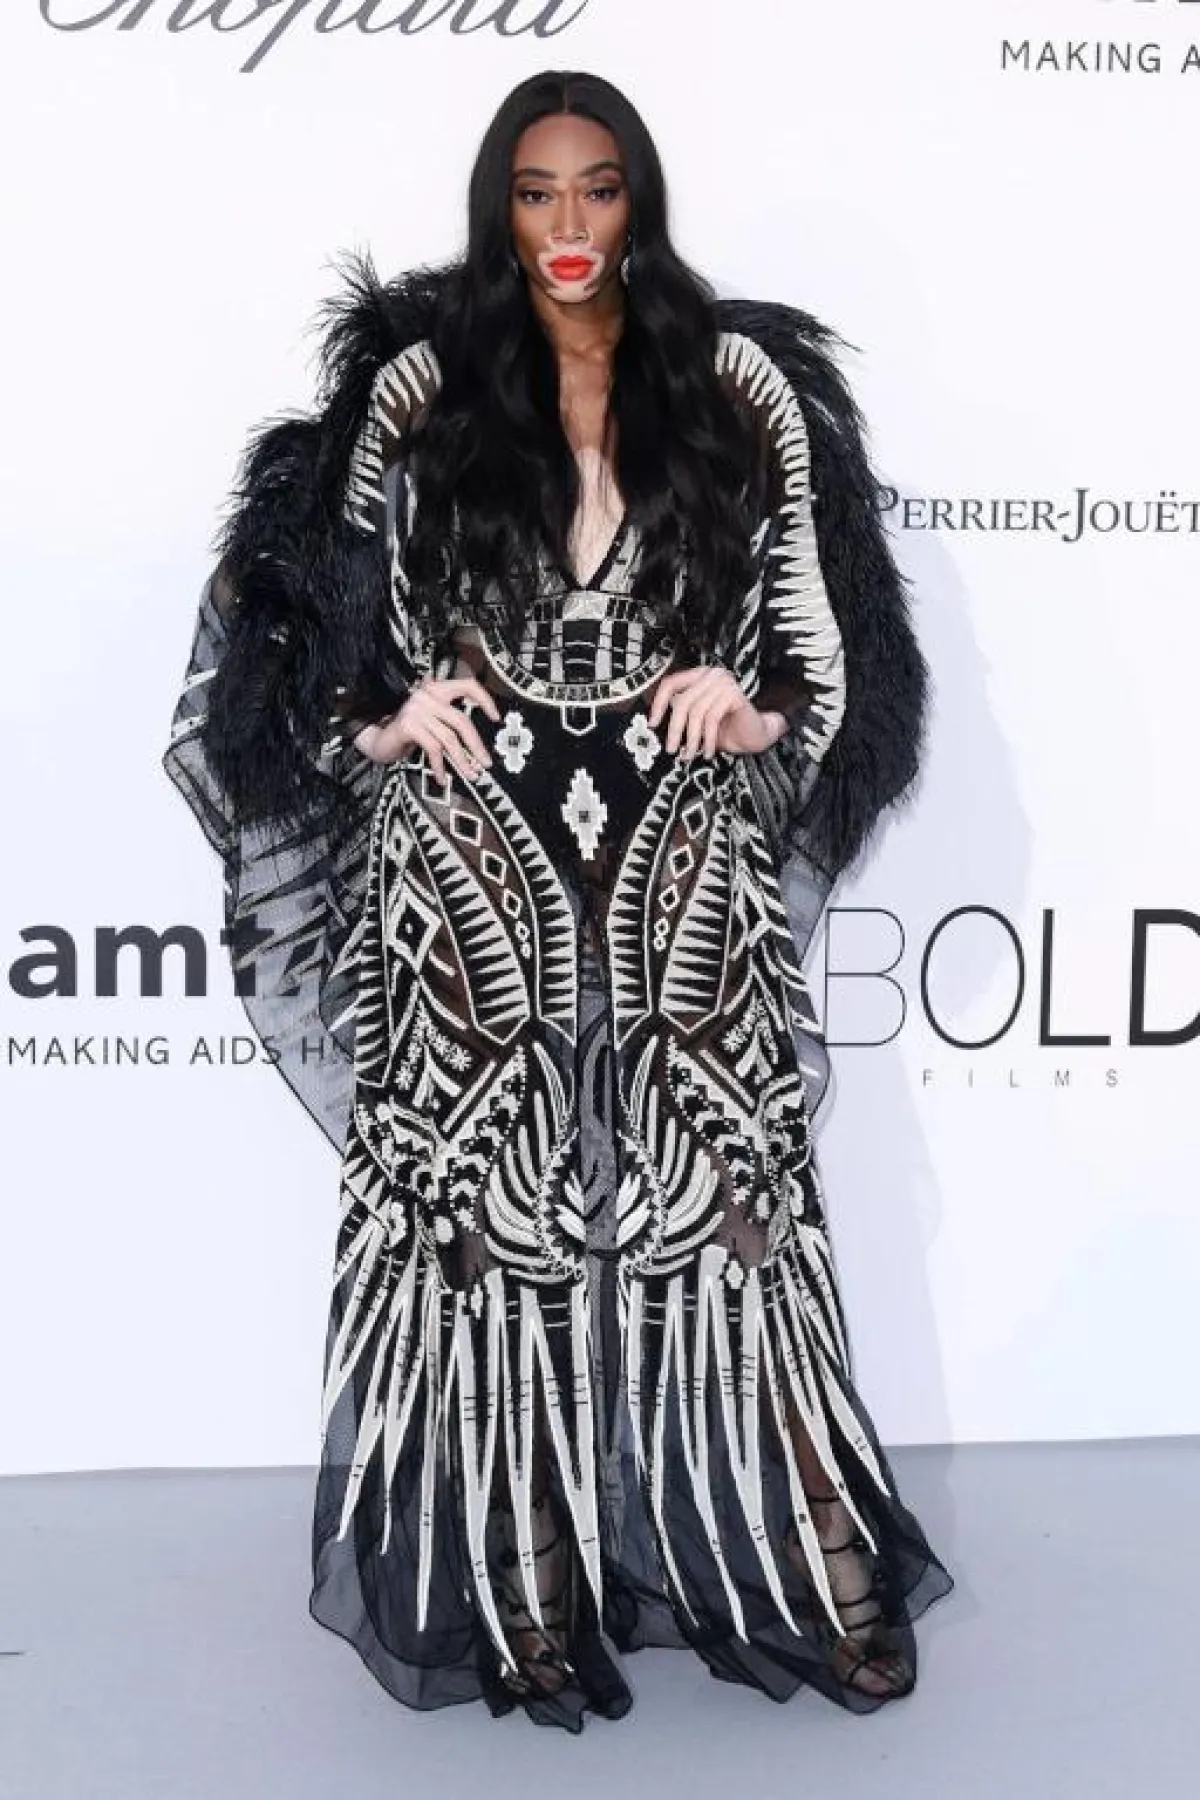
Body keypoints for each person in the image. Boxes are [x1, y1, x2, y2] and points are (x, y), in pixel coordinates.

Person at [163, 68, 954, 1734]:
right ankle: (522, 1592)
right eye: (538, 193)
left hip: (683, 858)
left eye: (597, 189)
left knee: (731, 1207)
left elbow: (816, 652)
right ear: (500, 209)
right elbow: (323, 629)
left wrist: (757, 712)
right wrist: (380, 724)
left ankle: (823, 1569)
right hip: (466, 862)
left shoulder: (733, 384)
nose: (569, 224)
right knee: (488, 1222)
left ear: (637, 199)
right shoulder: (420, 390)